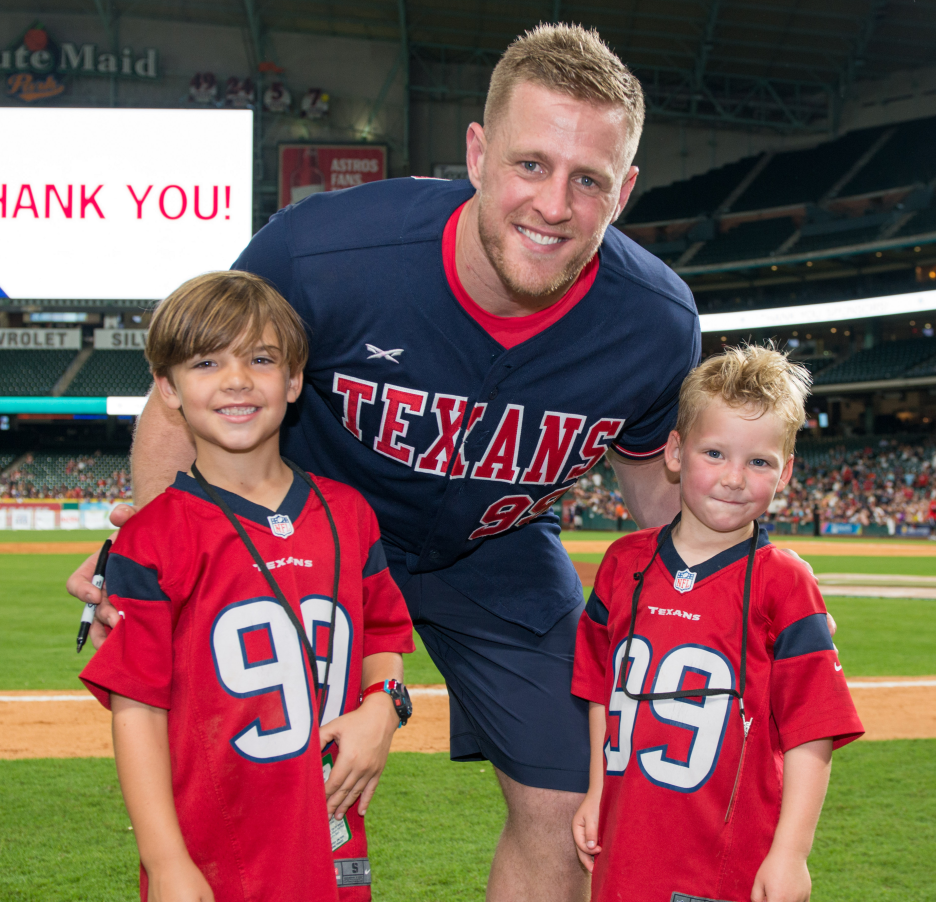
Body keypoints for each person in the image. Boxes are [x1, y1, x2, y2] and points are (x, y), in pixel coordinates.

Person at [69, 24, 697, 901]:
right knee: (243, 787)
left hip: (499, 552)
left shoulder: (655, 322)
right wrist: (155, 547)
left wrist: (723, 605)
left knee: (571, 803)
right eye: (530, 165)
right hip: (309, 534)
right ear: (477, 154)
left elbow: (658, 495)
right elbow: (188, 386)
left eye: (588, 179)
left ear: (624, 190)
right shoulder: (327, 250)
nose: (554, 204)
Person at [79, 271, 415, 902]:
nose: (236, 380)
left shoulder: (349, 514)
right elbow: (137, 713)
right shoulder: (152, 539)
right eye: (207, 362)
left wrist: (384, 708)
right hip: (211, 854)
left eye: (260, 359)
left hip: (332, 844)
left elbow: (383, 635)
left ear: (292, 381)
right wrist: (166, 861)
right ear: (168, 388)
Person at [571, 345, 864, 902]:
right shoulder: (622, 564)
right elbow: (600, 693)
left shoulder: (784, 582)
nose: (734, 478)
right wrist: (593, 792)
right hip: (627, 838)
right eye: (714, 452)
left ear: (786, 472)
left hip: (724, 856)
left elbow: (813, 730)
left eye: (759, 462)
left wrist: (791, 854)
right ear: (675, 452)